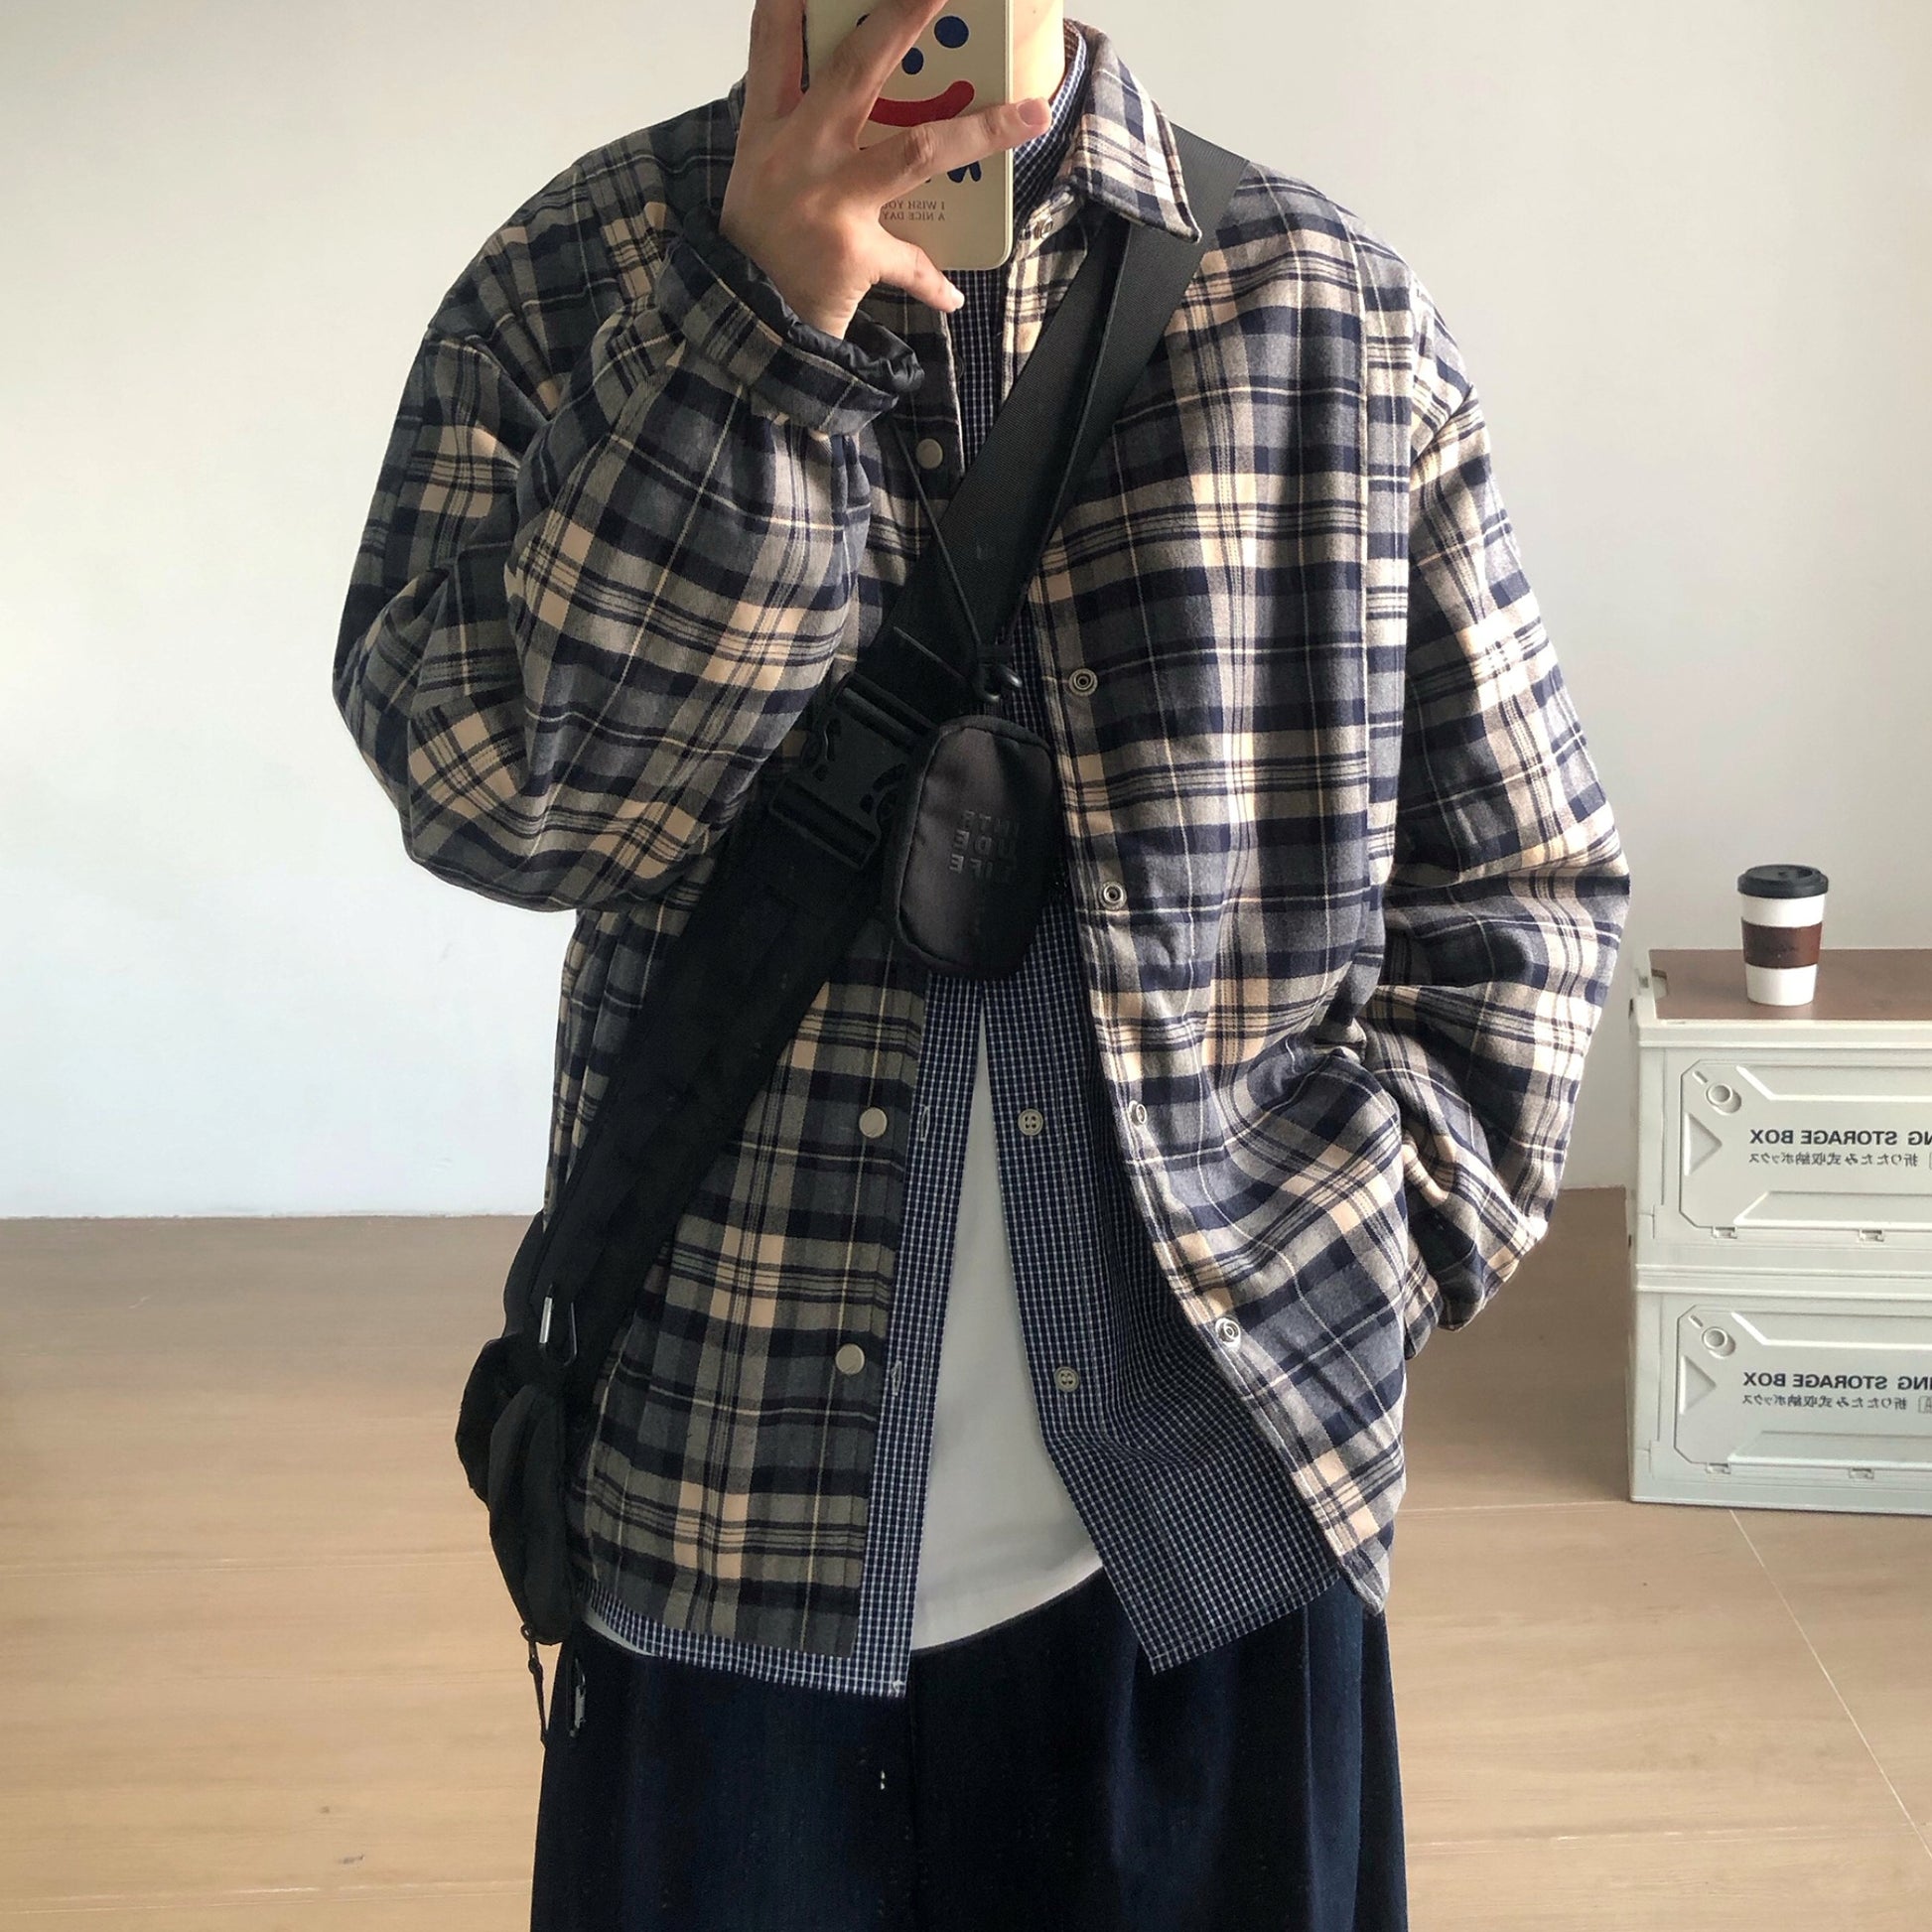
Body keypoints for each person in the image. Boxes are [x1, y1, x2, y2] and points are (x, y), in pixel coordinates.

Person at [331, 2, 1632, 1926]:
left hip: (1215, 1502)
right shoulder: (578, 278)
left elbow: (1523, 882)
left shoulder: (1325, 311)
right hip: (723, 1497)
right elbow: (492, 794)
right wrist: (747, 343)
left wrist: (1350, 1267)